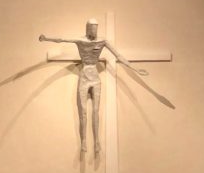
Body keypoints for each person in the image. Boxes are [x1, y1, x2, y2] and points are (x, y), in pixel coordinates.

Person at [40, 19, 147, 156]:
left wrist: (135, 69)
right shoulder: (81, 41)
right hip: (84, 76)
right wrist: (46, 38)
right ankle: (84, 140)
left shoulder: (102, 41)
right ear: (87, 28)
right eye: (92, 28)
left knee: (96, 110)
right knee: (83, 111)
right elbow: (62, 39)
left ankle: (97, 141)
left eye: (96, 28)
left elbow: (118, 55)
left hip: (95, 77)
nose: (94, 31)